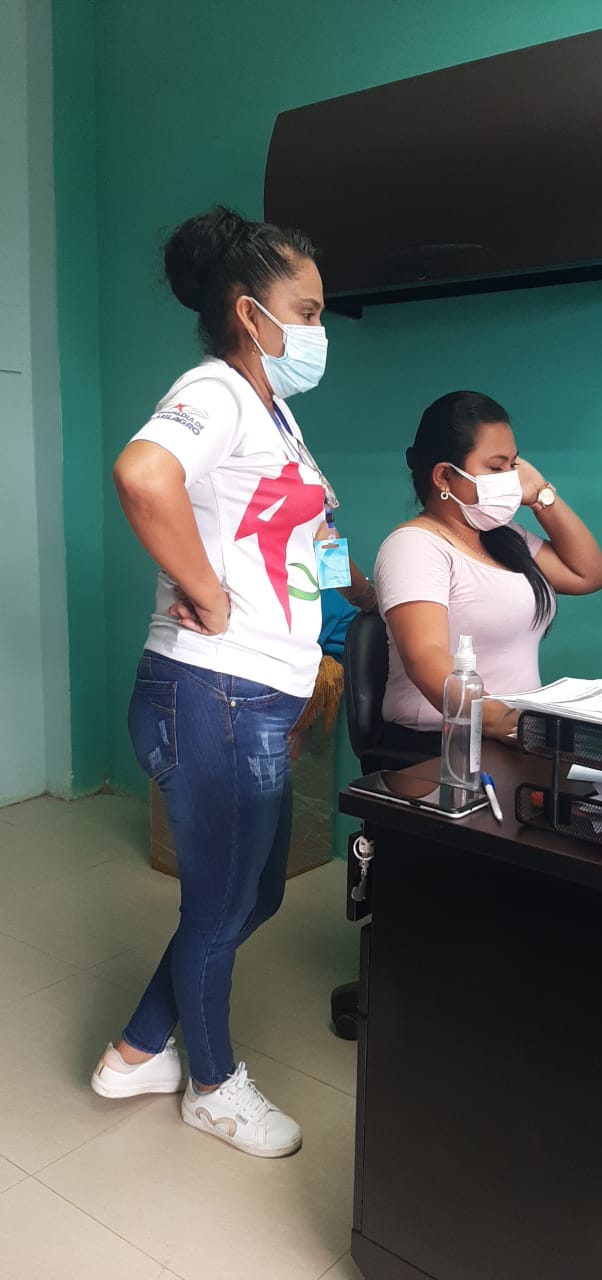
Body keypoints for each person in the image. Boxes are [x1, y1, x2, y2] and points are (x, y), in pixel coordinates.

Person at [91, 206, 376, 1158]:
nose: (320, 331)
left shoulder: (275, 416)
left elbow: (306, 544)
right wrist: (206, 593)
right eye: (309, 311)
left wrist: (357, 603)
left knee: (256, 897)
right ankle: (211, 1087)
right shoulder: (214, 389)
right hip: (209, 691)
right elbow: (144, 476)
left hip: (253, 697)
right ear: (251, 313)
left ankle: (137, 1051)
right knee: (221, 905)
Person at [374, 390, 602, 757]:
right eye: (496, 468)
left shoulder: (505, 537)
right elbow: (426, 657)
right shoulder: (413, 546)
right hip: (444, 747)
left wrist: (543, 495)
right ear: (444, 476)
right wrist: (502, 721)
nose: (511, 480)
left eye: (513, 466)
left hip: (513, 737)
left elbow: (589, 574)